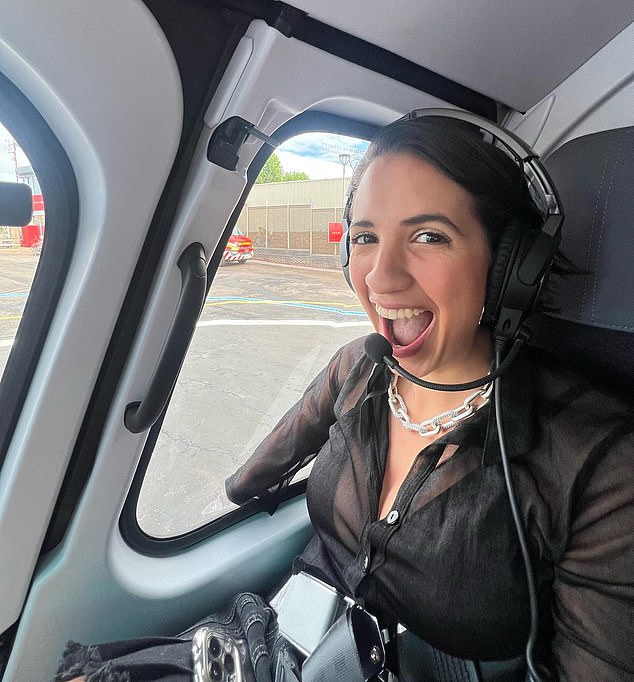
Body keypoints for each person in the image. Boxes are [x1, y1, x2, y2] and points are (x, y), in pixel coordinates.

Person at [59, 115, 633, 682]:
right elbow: (253, 477)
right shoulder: (359, 367)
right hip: (282, 638)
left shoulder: (600, 463)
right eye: (365, 237)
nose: (381, 277)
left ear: (512, 267)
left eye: (429, 236)